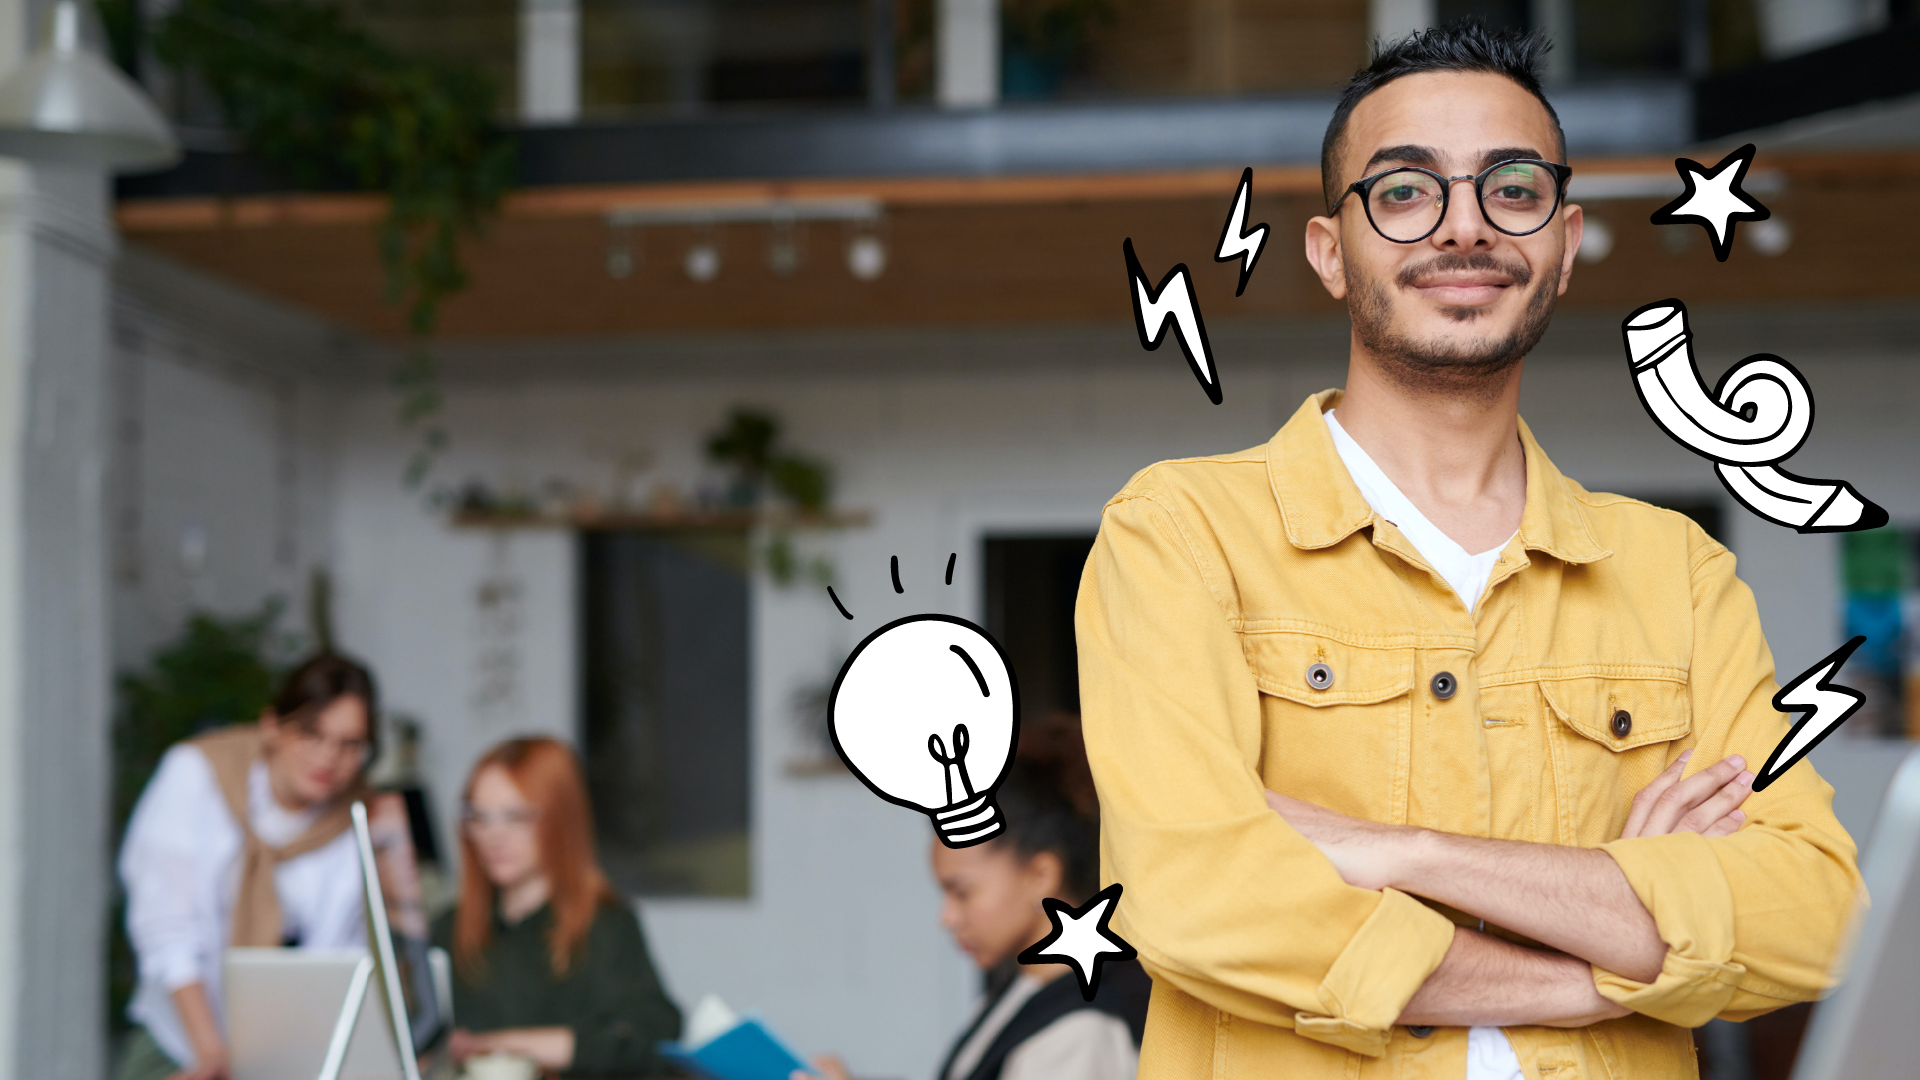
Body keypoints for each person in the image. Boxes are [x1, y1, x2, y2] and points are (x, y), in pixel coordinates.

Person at [1075, 21, 1863, 1080]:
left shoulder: (1677, 574)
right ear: (1329, 252)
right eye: (1404, 192)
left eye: (1513, 188)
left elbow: (1813, 918)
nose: (1465, 229)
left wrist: (1410, 854)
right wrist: (1602, 945)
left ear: (1566, 242)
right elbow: (1194, 898)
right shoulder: (1180, 536)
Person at [116, 652, 382, 1080]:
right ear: (273, 726)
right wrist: (211, 1055)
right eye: (311, 733)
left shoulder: (351, 823)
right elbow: (166, 931)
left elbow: (334, 959)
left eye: (350, 744)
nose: (328, 758)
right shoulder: (197, 774)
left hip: (281, 1053)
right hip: (179, 1041)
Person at [805, 752, 1150, 1080]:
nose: (948, 918)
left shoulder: (1082, 1031)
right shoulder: (1018, 992)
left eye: (962, 893)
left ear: (1041, 875)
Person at [431, 737, 682, 1077]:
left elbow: (654, 1037)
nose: (493, 835)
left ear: (559, 819)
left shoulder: (608, 927)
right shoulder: (450, 927)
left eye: (516, 816)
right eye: (479, 817)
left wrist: (510, 1044)